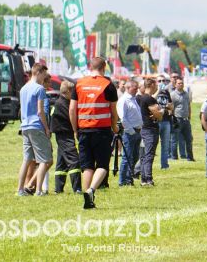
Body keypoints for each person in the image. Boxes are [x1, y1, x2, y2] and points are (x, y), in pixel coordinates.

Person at [69, 57, 119, 209]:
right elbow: (113, 110)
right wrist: (115, 127)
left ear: (91, 66)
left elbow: (72, 109)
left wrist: (75, 129)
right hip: (102, 130)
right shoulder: (108, 85)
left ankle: (87, 200)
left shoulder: (79, 83)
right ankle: (91, 190)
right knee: (103, 164)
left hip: (83, 130)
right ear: (104, 67)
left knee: (87, 166)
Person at [17, 66, 53, 197]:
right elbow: (40, 111)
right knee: (44, 160)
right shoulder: (39, 89)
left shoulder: (23, 89)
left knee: (26, 160)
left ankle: (20, 190)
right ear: (38, 73)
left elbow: (22, 110)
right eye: (44, 74)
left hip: (25, 126)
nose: (45, 77)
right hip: (37, 126)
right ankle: (38, 190)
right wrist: (47, 128)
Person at [52, 80, 81, 194]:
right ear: (68, 91)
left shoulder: (61, 102)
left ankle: (58, 189)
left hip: (63, 134)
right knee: (74, 160)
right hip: (64, 134)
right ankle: (77, 188)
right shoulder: (62, 104)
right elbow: (71, 118)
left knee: (62, 162)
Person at [138, 78, 165, 187]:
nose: (157, 87)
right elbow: (159, 115)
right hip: (150, 129)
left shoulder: (141, 98)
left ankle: (144, 178)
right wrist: (161, 111)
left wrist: (158, 112)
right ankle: (148, 179)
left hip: (144, 128)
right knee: (149, 154)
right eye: (156, 85)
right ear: (152, 85)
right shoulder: (149, 99)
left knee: (145, 155)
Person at [117, 80, 142, 186]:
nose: (137, 89)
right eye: (134, 87)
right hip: (130, 133)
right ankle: (123, 181)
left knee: (135, 156)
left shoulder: (133, 99)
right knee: (127, 157)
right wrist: (131, 131)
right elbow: (123, 119)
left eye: (137, 87)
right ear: (128, 88)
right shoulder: (124, 100)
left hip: (137, 131)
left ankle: (129, 178)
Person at [170, 78, 194, 161]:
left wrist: (189, 117)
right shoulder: (172, 95)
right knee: (174, 139)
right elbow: (170, 108)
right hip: (177, 119)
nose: (181, 84)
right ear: (175, 84)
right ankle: (174, 157)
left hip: (186, 119)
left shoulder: (186, 94)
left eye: (182, 83)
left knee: (188, 139)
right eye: (179, 83)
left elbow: (189, 106)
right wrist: (173, 118)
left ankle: (190, 157)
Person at [156, 74, 174, 168]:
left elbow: (171, 106)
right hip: (156, 121)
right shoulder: (154, 92)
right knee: (153, 144)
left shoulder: (167, 92)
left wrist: (170, 107)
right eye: (159, 81)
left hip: (166, 121)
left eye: (163, 81)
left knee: (166, 144)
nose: (162, 83)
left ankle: (164, 165)